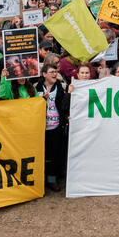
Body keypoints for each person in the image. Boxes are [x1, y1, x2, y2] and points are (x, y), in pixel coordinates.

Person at [37, 62, 70, 192]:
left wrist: (68, 94)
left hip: (56, 127)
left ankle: (52, 180)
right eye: (51, 72)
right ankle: (41, 180)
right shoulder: (36, 87)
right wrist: (42, 100)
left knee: (56, 154)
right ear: (44, 74)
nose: (54, 74)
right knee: (43, 155)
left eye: (55, 72)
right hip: (40, 128)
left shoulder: (61, 87)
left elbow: (65, 105)